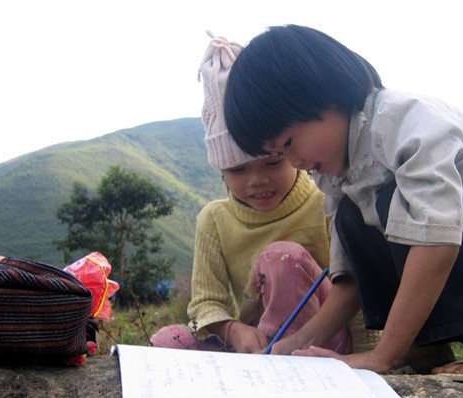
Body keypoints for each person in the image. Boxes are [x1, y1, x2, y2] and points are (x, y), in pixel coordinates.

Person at [222, 24, 463, 377]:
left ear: (325, 97)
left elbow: (437, 242)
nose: (295, 162)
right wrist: (295, 343)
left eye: (288, 144)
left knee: (392, 201)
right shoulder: (337, 175)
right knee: (353, 216)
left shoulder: (409, 121)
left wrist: (382, 356)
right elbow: (351, 280)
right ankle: (426, 347)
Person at [150, 32, 366, 354]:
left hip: (320, 343)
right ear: (221, 171)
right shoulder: (214, 220)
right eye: (238, 171)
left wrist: (367, 359)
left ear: (291, 151)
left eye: (272, 162)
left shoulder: (325, 203)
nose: (257, 180)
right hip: (257, 346)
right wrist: (233, 330)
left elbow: (354, 290)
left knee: (282, 259)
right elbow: (206, 303)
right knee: (169, 340)